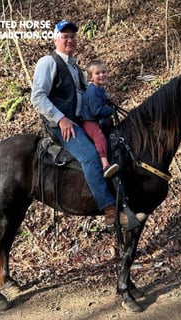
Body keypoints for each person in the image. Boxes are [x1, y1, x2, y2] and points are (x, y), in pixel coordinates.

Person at [30, 20, 127, 229]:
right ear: (55, 38)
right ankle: (109, 209)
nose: (70, 40)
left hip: (80, 120)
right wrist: (60, 118)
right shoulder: (49, 62)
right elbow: (37, 97)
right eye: (65, 36)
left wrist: (107, 99)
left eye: (73, 36)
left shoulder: (74, 67)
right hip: (63, 124)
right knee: (91, 156)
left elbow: (85, 94)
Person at [77, 60, 119, 179]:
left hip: (94, 118)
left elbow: (103, 99)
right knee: (99, 136)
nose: (102, 75)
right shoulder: (93, 91)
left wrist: (109, 100)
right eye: (97, 73)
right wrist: (111, 109)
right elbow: (97, 112)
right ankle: (105, 163)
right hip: (89, 121)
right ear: (90, 77)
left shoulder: (99, 89)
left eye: (104, 72)